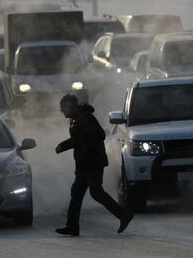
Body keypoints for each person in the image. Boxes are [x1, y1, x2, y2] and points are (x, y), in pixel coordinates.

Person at [55, 94, 134, 236]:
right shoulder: (77, 118)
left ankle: (124, 215)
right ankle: (72, 227)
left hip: (92, 162)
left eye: (63, 107)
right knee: (77, 194)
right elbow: (78, 139)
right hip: (84, 163)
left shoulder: (85, 117)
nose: (61, 110)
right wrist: (64, 145)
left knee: (95, 192)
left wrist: (84, 150)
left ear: (71, 107)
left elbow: (98, 135)